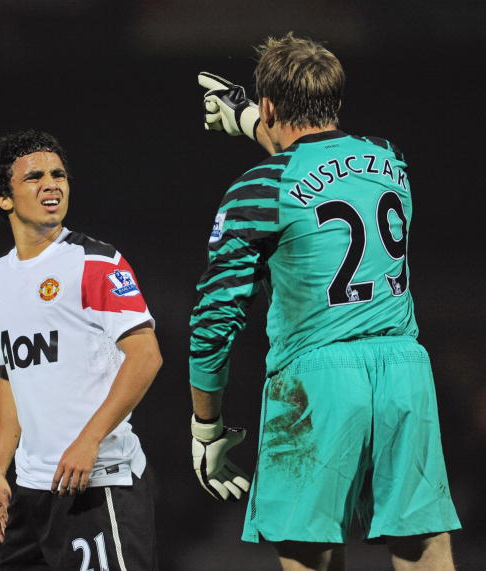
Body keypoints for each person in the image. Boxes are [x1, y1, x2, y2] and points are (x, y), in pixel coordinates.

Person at [189, 33, 461, 571]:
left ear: (268, 106)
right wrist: (249, 119)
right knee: (426, 547)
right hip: (405, 369)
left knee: (309, 554)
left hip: (315, 381)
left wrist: (207, 429)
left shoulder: (255, 189)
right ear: (335, 100)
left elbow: (213, 323)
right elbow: (318, 162)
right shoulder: (392, 159)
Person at [0, 130, 162, 570]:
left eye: (59, 174)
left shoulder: (95, 262)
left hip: (100, 484)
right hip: (32, 493)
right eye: (34, 177)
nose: (52, 184)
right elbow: (11, 375)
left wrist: (89, 440)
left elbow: (145, 355)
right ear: (4, 199)